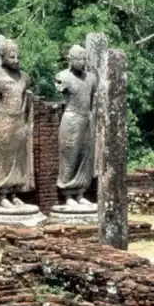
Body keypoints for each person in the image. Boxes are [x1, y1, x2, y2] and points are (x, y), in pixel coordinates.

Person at [0, 39, 34, 208]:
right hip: (2, 121)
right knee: (2, 159)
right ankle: (1, 194)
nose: (16, 60)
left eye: (18, 56)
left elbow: (27, 98)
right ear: (3, 57)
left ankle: (14, 192)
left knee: (18, 159)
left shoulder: (24, 77)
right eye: (12, 57)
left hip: (18, 122)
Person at [54, 45, 98, 206]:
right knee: (70, 156)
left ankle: (80, 192)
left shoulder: (91, 78)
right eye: (79, 59)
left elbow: (93, 101)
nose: (83, 62)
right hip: (71, 119)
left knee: (85, 157)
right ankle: (67, 194)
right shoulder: (63, 77)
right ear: (71, 60)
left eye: (84, 59)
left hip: (86, 119)